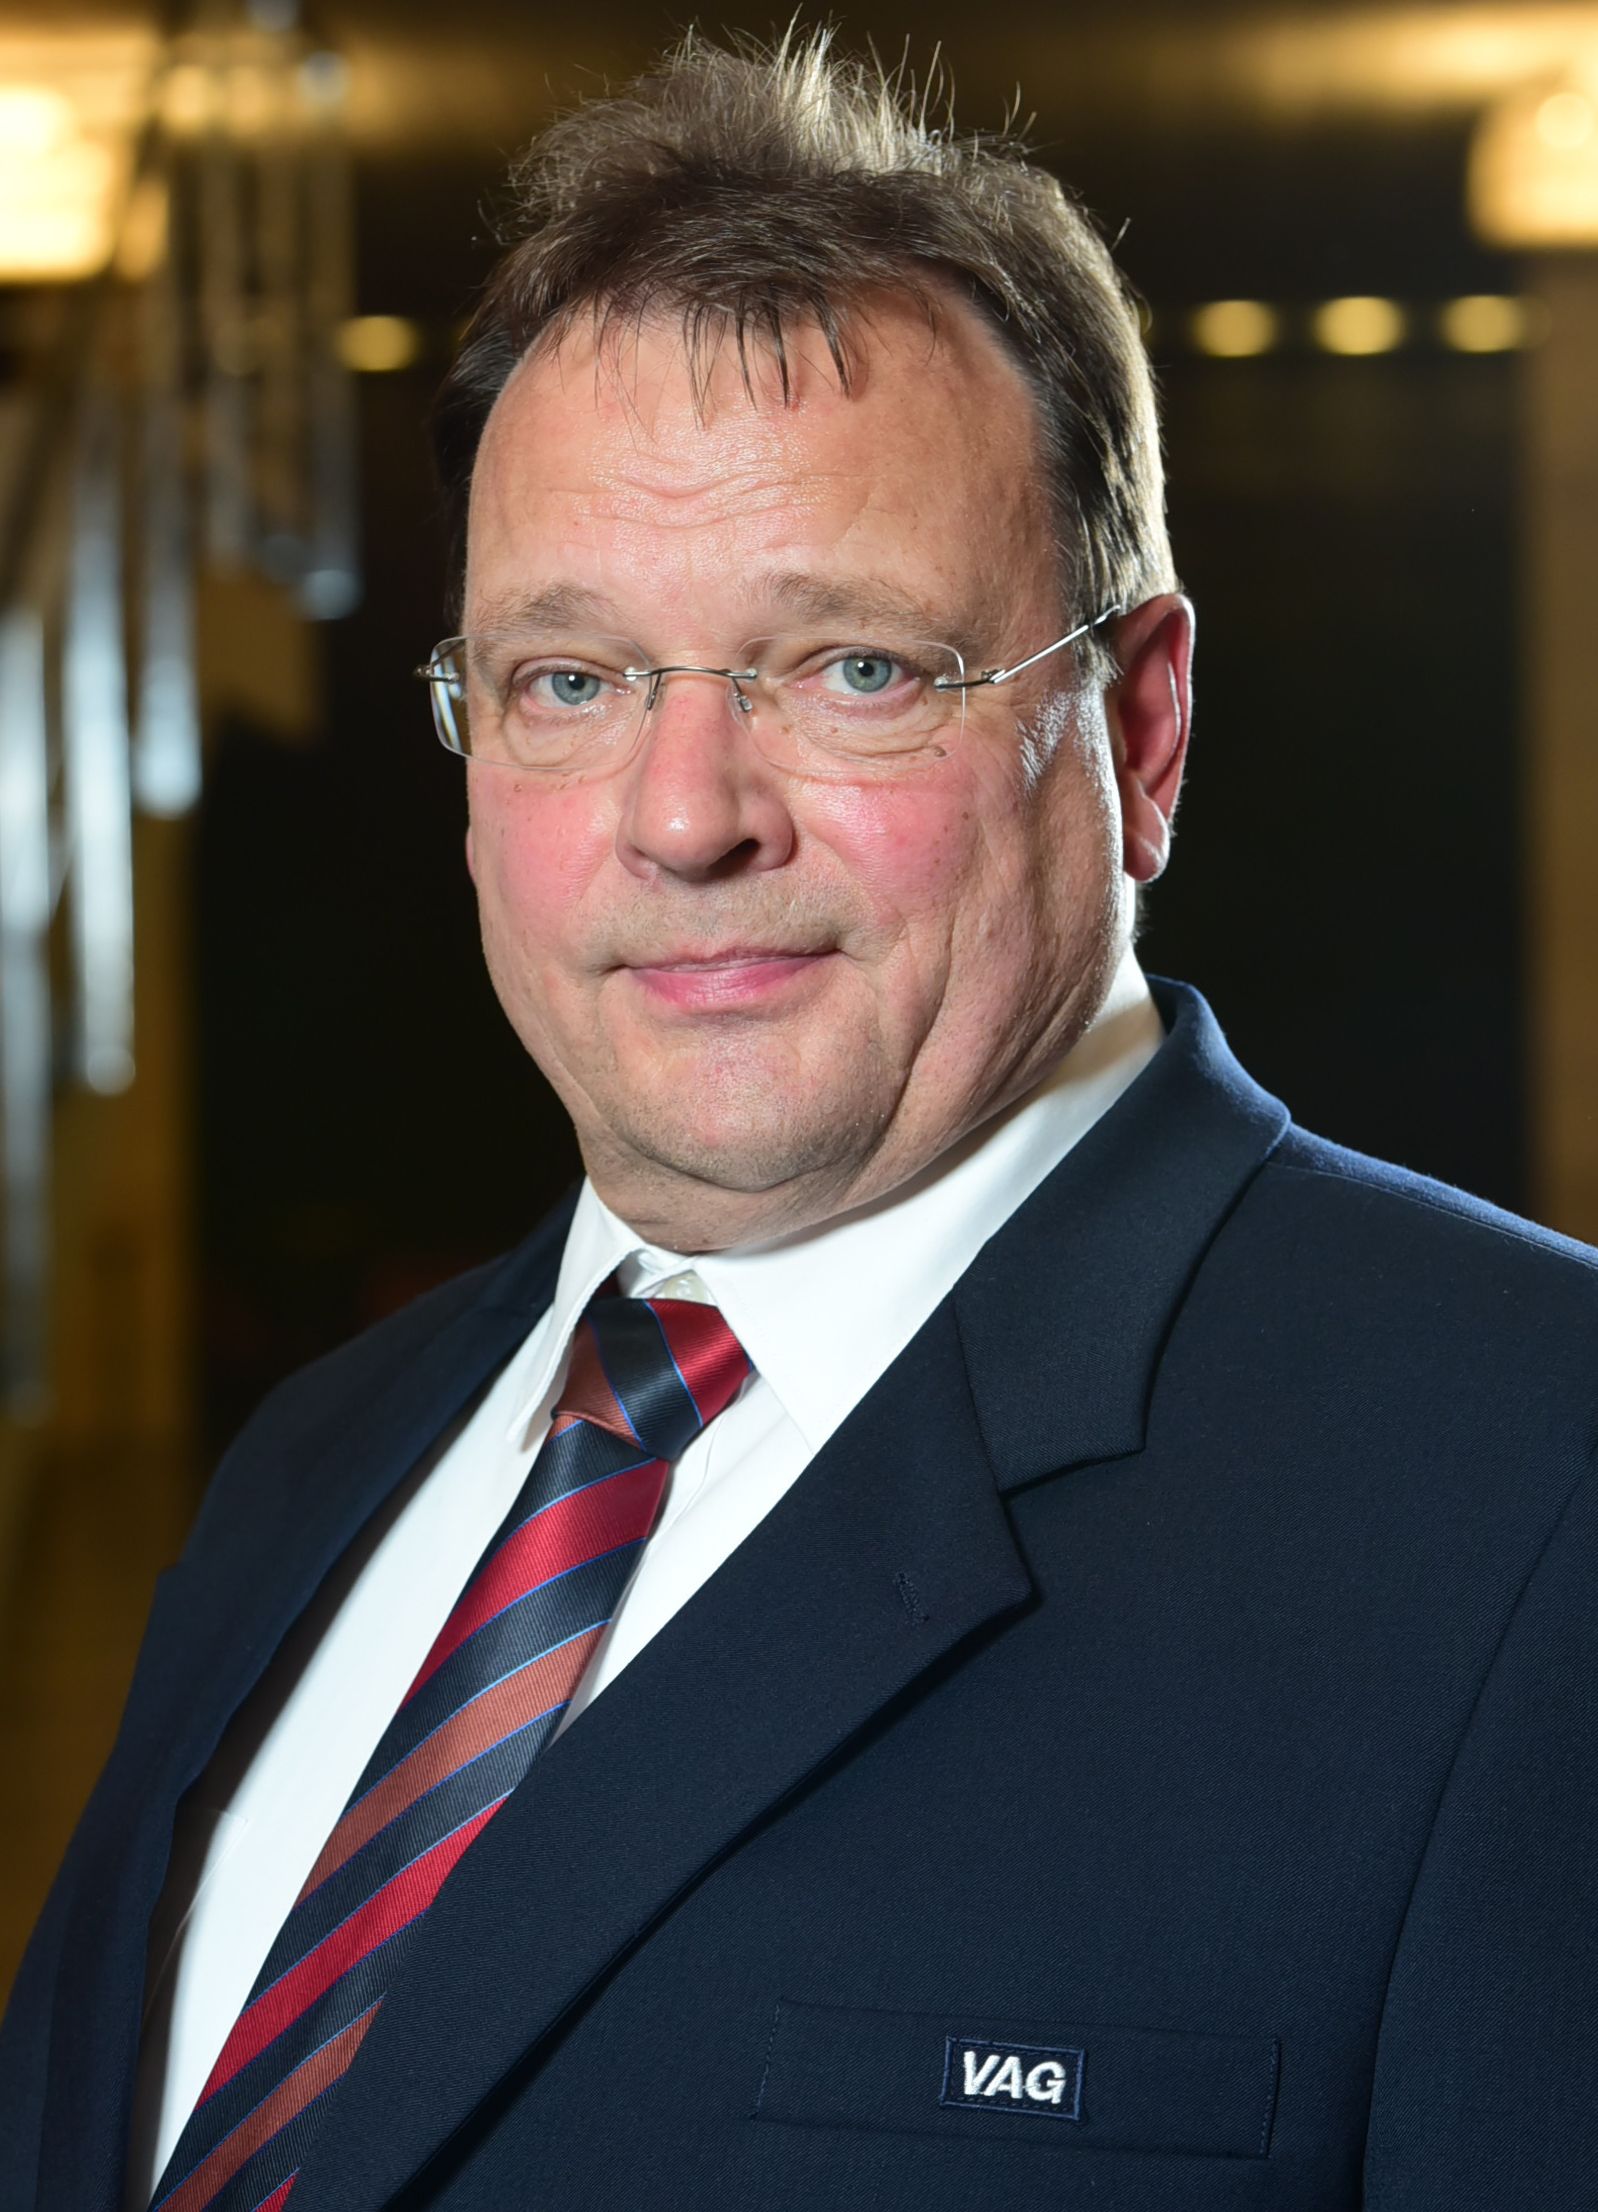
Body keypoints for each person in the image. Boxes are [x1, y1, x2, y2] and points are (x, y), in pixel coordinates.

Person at [4, 30, 1596, 2212]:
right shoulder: (318, 1458)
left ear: (1137, 731)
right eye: (569, 681)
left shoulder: (1532, 1485)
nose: (683, 817)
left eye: (853, 666)